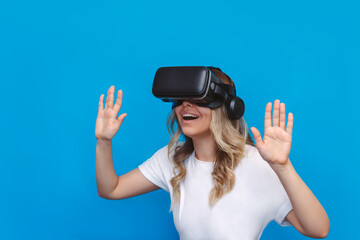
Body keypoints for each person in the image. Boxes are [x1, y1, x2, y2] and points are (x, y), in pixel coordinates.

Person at [95, 67, 330, 239]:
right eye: (179, 100)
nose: (185, 106)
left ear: (228, 108)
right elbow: (111, 189)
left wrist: (282, 166)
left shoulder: (258, 164)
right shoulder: (173, 158)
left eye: (198, 99)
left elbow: (318, 229)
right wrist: (103, 141)